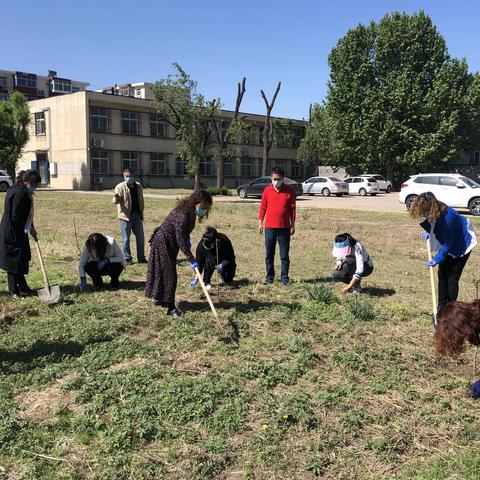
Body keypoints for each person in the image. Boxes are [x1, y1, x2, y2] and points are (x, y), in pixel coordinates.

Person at [145, 190, 213, 317]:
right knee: (170, 274)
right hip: (163, 242)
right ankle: (170, 308)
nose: (204, 211)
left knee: (164, 272)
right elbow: (180, 237)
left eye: (206, 209)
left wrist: (187, 241)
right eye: (203, 208)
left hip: (170, 243)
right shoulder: (183, 213)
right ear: (196, 202)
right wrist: (190, 257)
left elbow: (183, 234)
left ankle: (160, 299)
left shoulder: (191, 211)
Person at [410, 191, 477, 310]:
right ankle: (441, 307)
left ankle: (451, 310)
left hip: (461, 244)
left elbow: (448, 244)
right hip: (450, 240)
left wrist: (437, 259)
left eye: (424, 212)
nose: (423, 214)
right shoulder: (436, 210)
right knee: (442, 274)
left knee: (452, 278)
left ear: (430, 208)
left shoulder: (448, 217)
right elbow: (435, 225)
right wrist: (429, 233)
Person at [0, 169, 41, 299]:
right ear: (25, 180)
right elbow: (16, 216)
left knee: (20, 259)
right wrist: (28, 227)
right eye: (33, 184)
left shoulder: (18, 189)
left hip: (17, 229)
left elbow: (26, 214)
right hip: (12, 231)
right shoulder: (19, 193)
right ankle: (14, 291)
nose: (34, 188)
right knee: (13, 261)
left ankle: (23, 287)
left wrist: (31, 227)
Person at [258, 167, 296, 286]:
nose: (276, 181)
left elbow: (292, 209)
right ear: (271, 178)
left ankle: (284, 277)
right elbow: (263, 207)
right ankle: (269, 277)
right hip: (269, 228)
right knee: (269, 254)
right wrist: (260, 222)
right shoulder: (267, 190)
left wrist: (292, 224)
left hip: (284, 228)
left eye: (278, 179)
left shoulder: (289, 191)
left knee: (284, 254)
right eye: (274, 179)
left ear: (283, 178)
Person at [113, 167, 146, 265]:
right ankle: (127, 258)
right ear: (123, 177)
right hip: (125, 217)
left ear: (133, 176)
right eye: (127, 176)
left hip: (137, 216)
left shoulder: (139, 186)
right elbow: (116, 200)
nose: (129, 178)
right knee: (126, 239)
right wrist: (116, 198)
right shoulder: (120, 187)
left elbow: (141, 199)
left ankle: (141, 258)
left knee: (140, 238)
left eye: (130, 176)